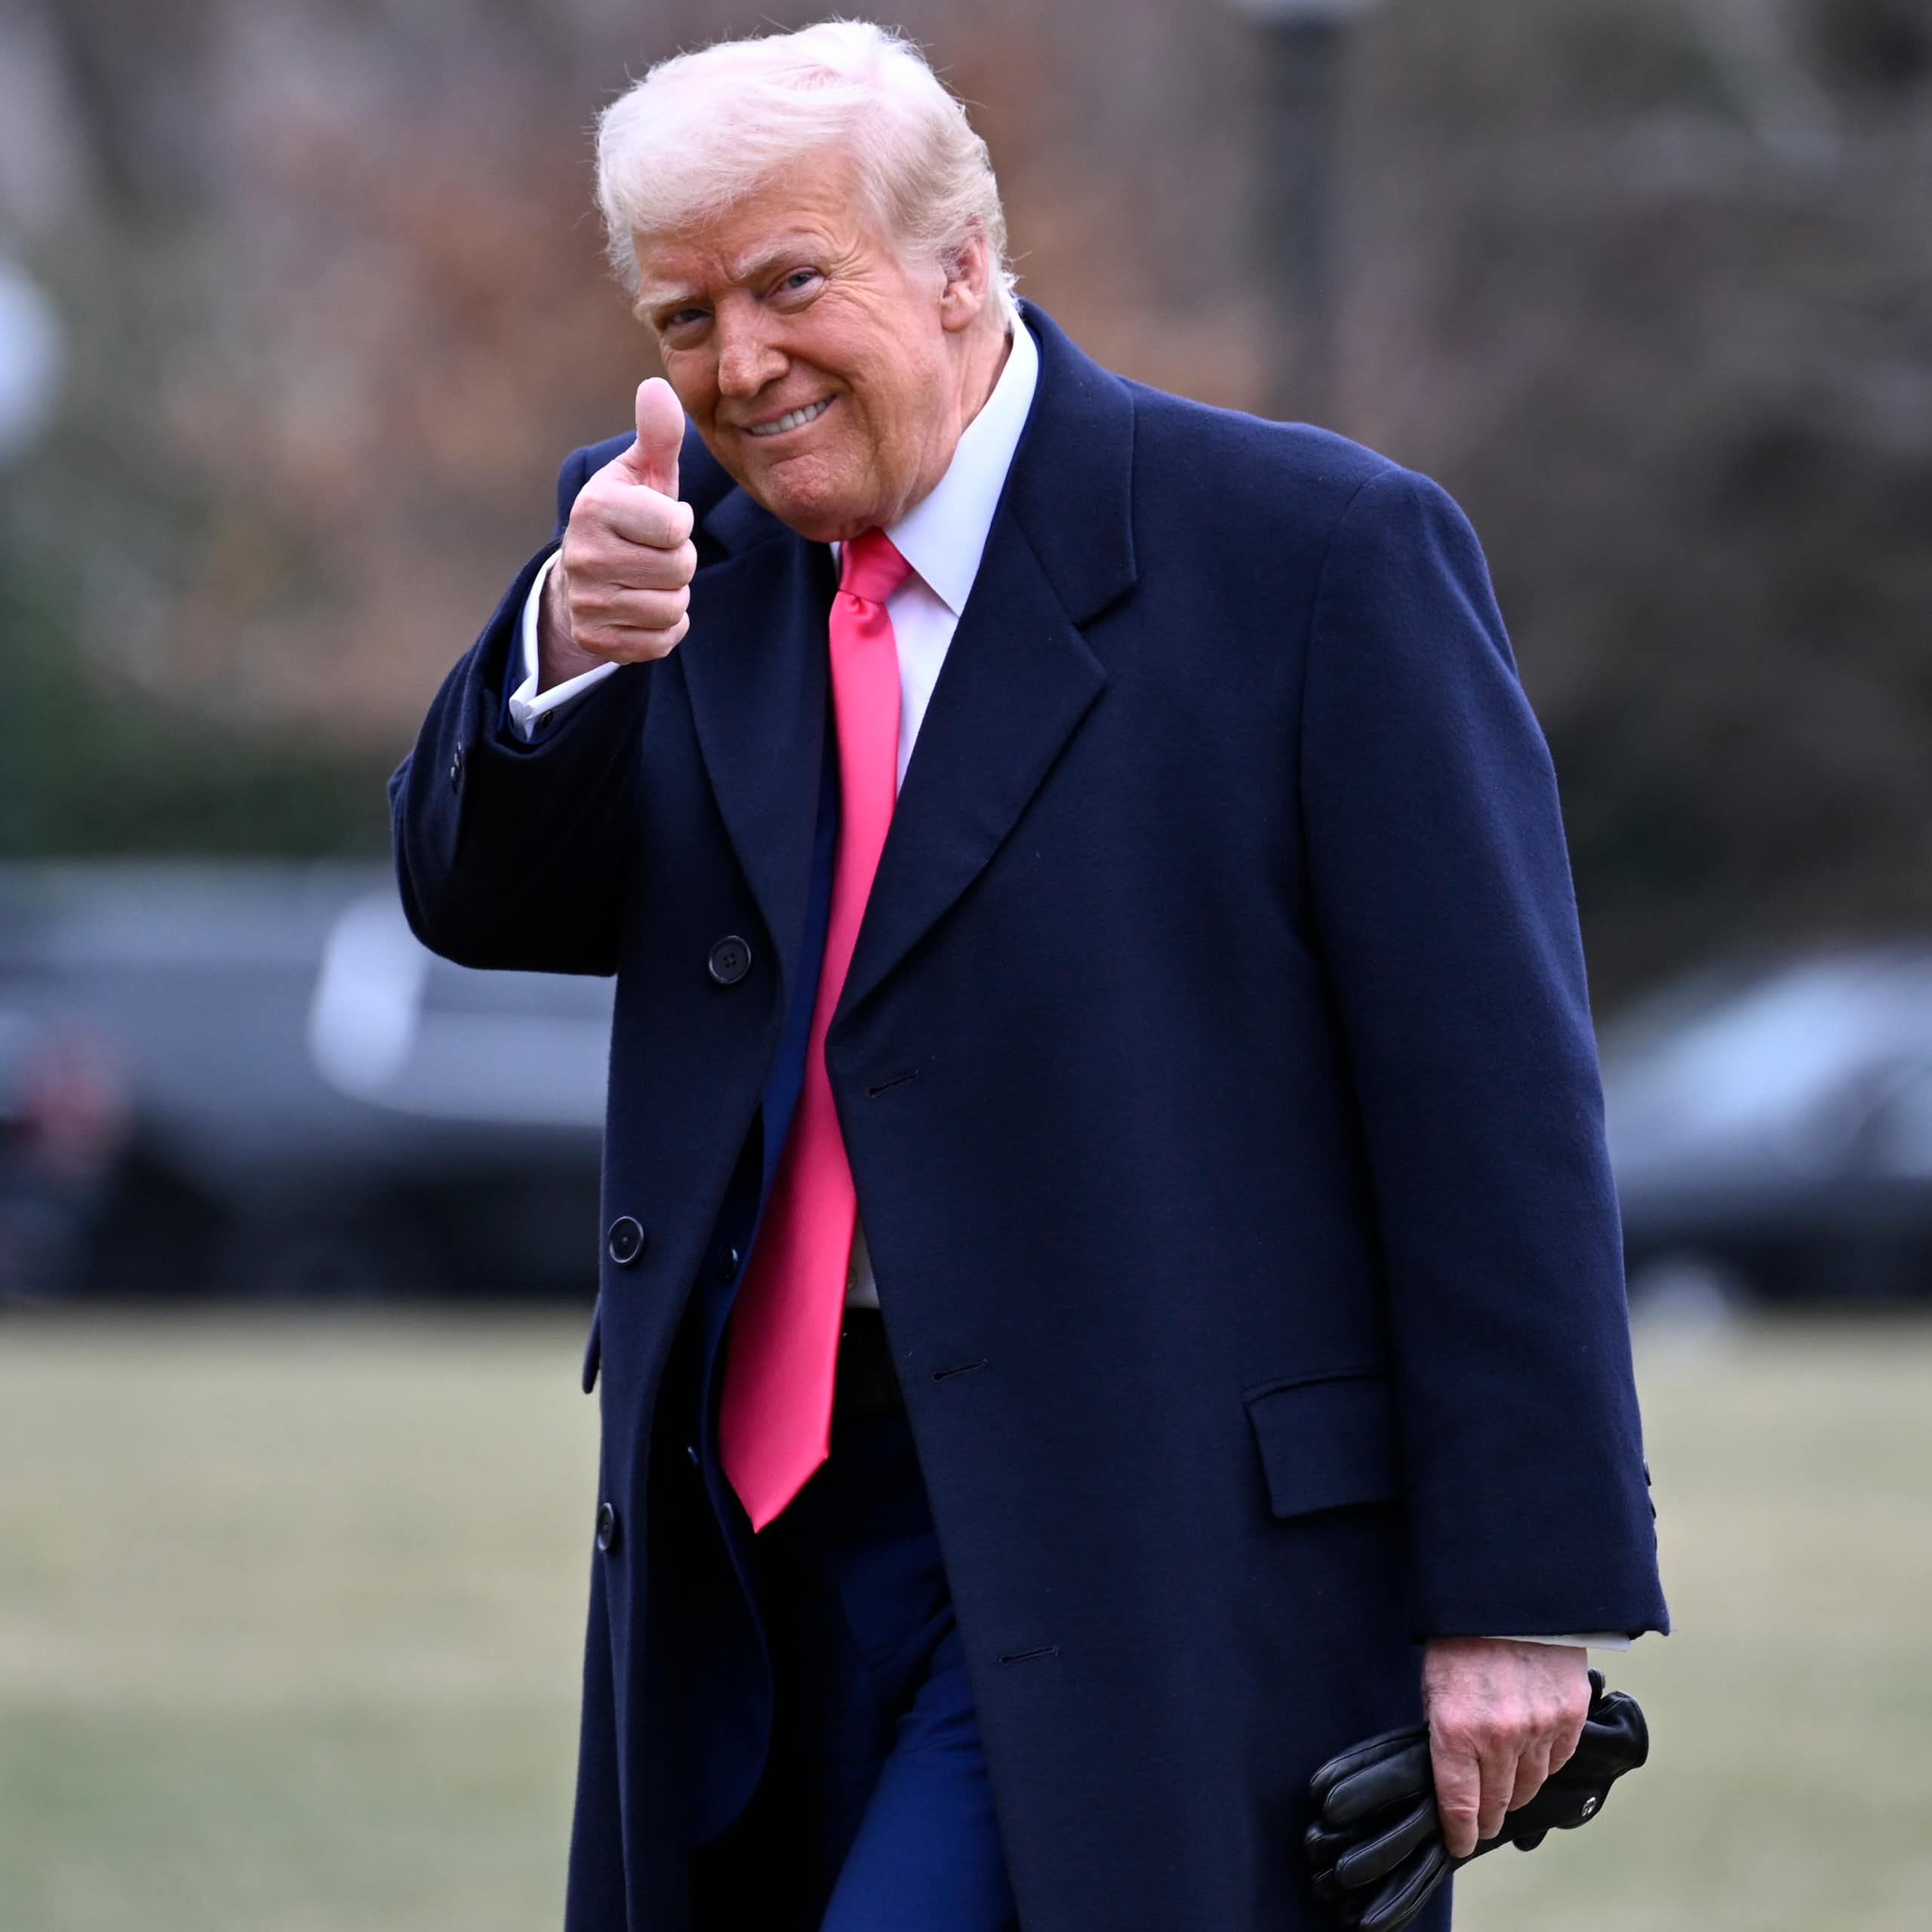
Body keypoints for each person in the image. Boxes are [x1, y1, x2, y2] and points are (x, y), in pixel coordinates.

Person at [389, 22, 1667, 1932]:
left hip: (1149, 1524)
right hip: (748, 1537)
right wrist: (562, 646)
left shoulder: (1315, 557)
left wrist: (1513, 1594)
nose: (738, 366)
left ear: (964, 261)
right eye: (684, 316)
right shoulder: (662, 551)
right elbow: (476, 895)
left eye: (791, 282)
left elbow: (1489, 1108)